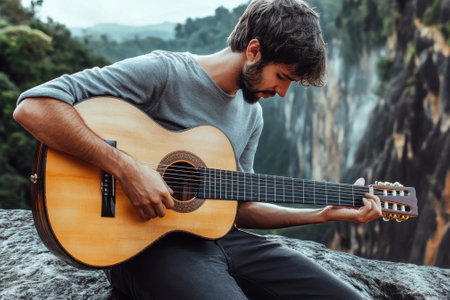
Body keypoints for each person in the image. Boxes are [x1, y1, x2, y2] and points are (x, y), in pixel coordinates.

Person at [14, 0, 382, 298]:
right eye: (282, 77)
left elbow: (242, 207)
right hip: (144, 247)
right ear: (254, 50)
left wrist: (321, 215)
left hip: (222, 240)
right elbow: (34, 106)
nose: (282, 93)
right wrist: (126, 168)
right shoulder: (165, 73)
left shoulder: (251, 116)